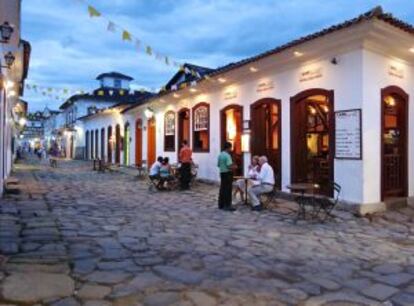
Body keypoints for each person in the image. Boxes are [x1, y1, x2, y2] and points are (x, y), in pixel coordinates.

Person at [217, 142, 235, 211]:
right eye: (231, 148)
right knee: (228, 190)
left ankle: (221, 204)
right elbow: (229, 166)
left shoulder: (220, 155)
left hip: (222, 173)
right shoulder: (227, 156)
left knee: (222, 189)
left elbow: (218, 165)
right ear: (228, 148)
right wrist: (234, 167)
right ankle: (227, 205)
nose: (231, 149)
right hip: (228, 174)